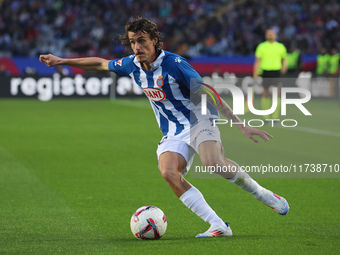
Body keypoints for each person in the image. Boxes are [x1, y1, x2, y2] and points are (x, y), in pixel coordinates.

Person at [40, 17, 289, 238]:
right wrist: (62, 60)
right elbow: (101, 64)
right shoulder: (131, 65)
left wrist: (240, 125)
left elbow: (209, 92)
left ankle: (263, 195)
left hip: (199, 119)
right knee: (169, 173)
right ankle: (218, 225)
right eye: (132, 42)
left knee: (212, 162)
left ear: (155, 41)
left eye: (142, 41)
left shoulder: (175, 64)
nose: (137, 47)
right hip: (172, 130)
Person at [253, 29, 287, 120]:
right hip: (265, 71)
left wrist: (284, 67)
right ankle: (266, 116)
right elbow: (257, 61)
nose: (270, 35)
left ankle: (275, 117)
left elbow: (284, 59)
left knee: (276, 93)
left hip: (276, 71)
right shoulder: (261, 46)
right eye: (268, 34)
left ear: (275, 35)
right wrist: (255, 73)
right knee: (265, 93)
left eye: (272, 34)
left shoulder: (280, 46)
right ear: (266, 35)